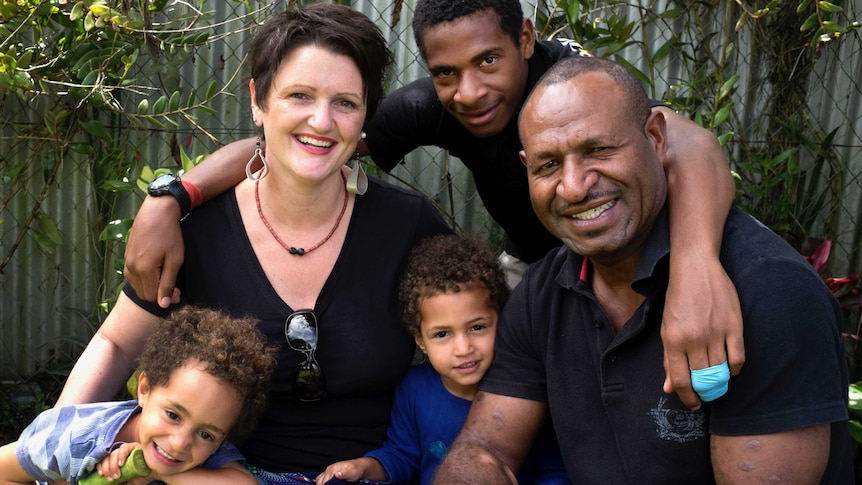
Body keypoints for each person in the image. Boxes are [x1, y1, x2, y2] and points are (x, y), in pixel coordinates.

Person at [123, 0, 743, 411]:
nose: (469, 91)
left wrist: (694, 269)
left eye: (489, 61)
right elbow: (300, 144)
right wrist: (172, 198)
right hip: (536, 268)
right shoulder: (431, 105)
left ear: (525, 39)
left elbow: (694, 147)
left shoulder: (575, 82)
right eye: (447, 72)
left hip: (627, 256)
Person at [54, 3, 452, 484]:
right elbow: (117, 344)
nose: (322, 122)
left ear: (366, 111)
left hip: (373, 472)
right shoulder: (194, 231)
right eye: (299, 96)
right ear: (258, 102)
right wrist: (54, 449)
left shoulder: (408, 227)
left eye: (345, 102)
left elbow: (488, 344)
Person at [432, 56, 853, 484]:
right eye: (548, 165)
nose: (574, 186)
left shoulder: (767, 291)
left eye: (598, 149)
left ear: (655, 137)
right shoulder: (543, 292)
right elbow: (486, 448)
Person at [315, 234, 567, 485]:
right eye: (442, 334)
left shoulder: (522, 391)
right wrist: (364, 467)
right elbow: (402, 457)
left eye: (477, 327)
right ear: (420, 340)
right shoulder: (414, 389)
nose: (463, 348)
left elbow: (554, 470)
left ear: (501, 319)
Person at [0, 306, 275, 484]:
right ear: (143, 390)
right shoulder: (78, 438)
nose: (179, 443)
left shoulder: (202, 451)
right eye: (173, 415)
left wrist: (151, 470)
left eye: (207, 434)